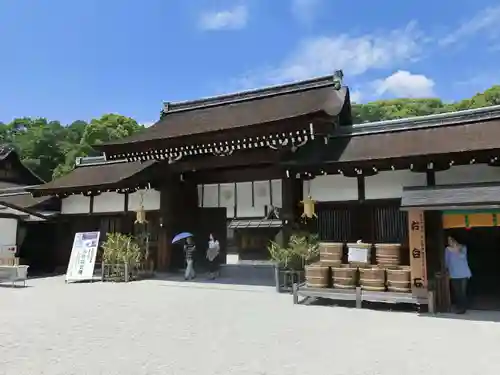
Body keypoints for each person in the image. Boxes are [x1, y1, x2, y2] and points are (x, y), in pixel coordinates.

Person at [445, 235, 472, 314]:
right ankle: (459, 306)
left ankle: (463, 308)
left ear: (455, 240)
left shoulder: (463, 247)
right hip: (453, 273)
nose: (449, 242)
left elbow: (463, 257)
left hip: (464, 273)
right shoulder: (447, 249)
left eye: (451, 240)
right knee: (457, 292)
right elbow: (446, 261)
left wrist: (456, 249)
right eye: (448, 240)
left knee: (463, 292)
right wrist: (447, 270)